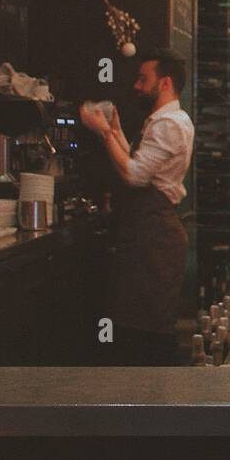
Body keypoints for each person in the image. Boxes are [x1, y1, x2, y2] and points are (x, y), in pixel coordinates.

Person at [79, 49, 194, 365]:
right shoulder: (164, 121)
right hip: (149, 234)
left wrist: (103, 133)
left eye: (144, 79)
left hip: (155, 238)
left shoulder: (169, 124)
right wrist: (114, 132)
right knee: (140, 325)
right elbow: (136, 162)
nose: (137, 86)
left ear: (165, 82)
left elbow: (133, 175)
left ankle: (154, 404)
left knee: (149, 332)